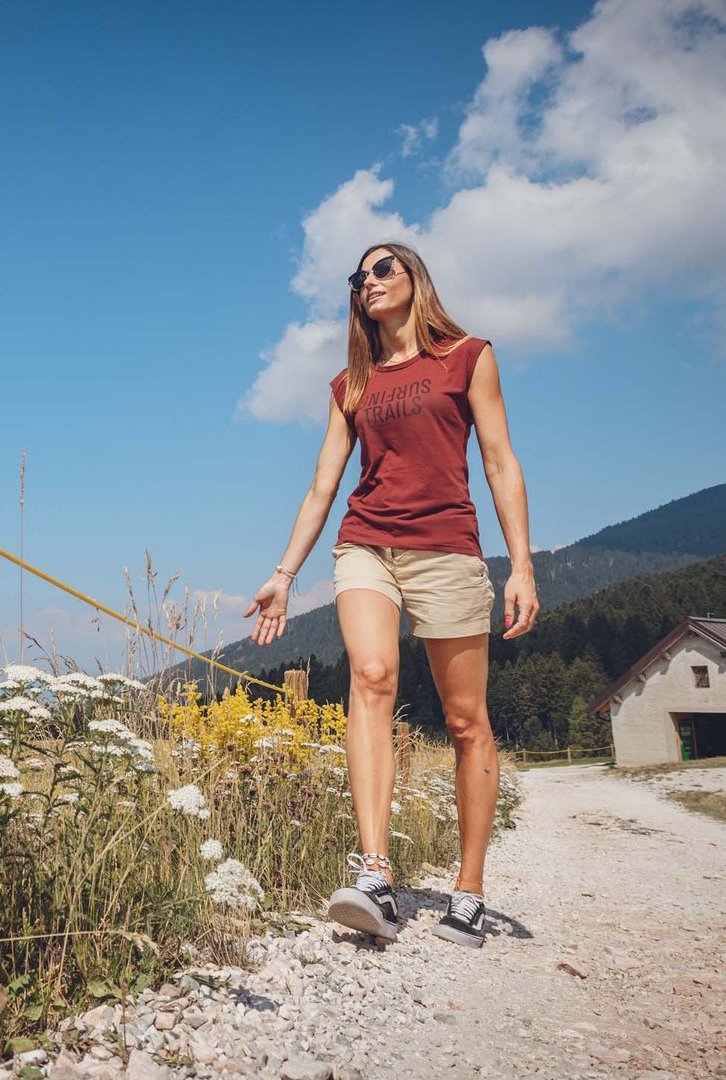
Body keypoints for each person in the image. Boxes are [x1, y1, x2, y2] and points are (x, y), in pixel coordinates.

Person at [242, 240, 538, 948]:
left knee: (466, 720)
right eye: (359, 276)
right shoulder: (350, 384)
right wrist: (284, 574)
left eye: (382, 269)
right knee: (371, 678)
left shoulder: (468, 355)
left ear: (414, 280)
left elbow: (499, 461)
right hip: (365, 542)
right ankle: (376, 875)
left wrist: (521, 563)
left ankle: (468, 889)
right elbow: (323, 483)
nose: (368, 281)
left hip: (447, 548)